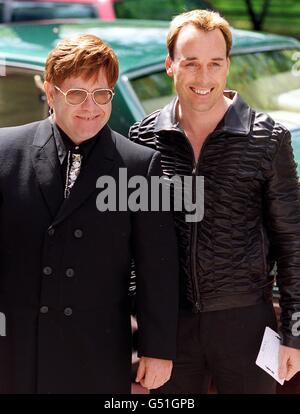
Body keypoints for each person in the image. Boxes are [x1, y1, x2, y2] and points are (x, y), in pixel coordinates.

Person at [129, 10, 300, 394]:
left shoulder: (268, 139)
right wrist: (142, 328)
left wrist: (295, 332)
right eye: (190, 63)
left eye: (214, 64)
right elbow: (133, 243)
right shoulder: (143, 138)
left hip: (247, 325)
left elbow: (293, 241)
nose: (203, 77)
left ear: (227, 67)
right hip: (168, 330)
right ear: (170, 65)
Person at [0, 34, 179, 394]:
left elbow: (157, 268)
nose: (90, 106)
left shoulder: (142, 166)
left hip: (95, 353)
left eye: (101, 94)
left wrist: (157, 350)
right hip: (15, 349)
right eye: (76, 94)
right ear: (50, 94)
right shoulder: (4, 150)